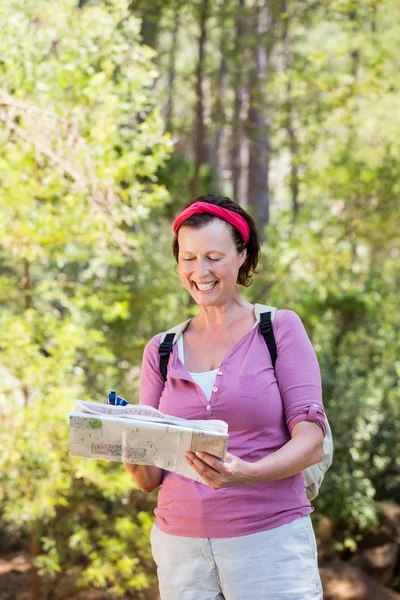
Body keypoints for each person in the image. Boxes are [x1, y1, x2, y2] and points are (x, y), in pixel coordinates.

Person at [124, 194, 326, 600]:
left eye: (214, 256)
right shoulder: (160, 349)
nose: (200, 271)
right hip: (180, 549)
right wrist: (126, 440)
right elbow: (148, 480)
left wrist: (246, 473)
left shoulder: (278, 329)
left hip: (269, 543)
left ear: (242, 256)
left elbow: (311, 441)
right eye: (188, 258)